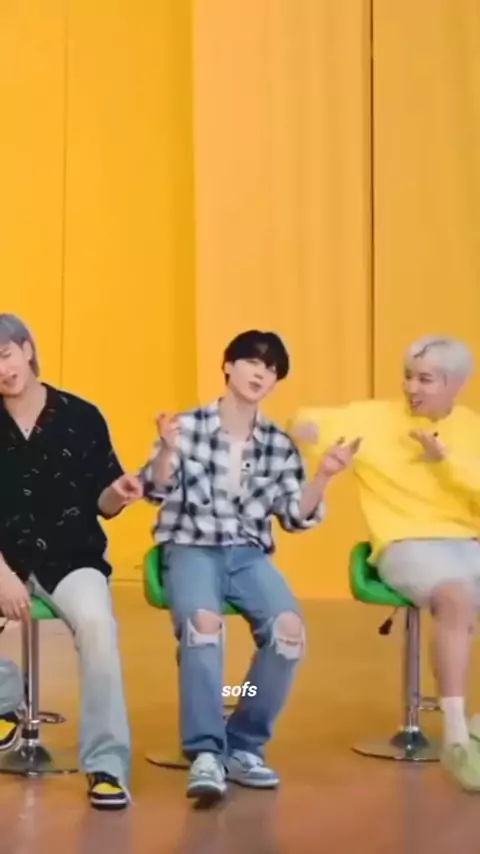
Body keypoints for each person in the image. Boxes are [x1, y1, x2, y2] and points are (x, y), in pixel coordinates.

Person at [139, 329, 359, 803]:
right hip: (191, 546)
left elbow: (295, 516)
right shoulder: (187, 426)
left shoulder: (278, 444)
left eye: (272, 369)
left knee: (289, 632)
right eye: (253, 362)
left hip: (247, 553)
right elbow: (154, 490)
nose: (261, 373)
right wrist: (168, 451)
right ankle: (204, 751)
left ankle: (242, 742)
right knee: (203, 626)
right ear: (228, 365)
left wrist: (323, 475)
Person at [292, 334, 480, 792]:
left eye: (425, 380)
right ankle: (456, 737)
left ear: (454, 384)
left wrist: (444, 464)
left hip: (468, 541)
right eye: (409, 377)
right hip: (405, 543)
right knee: (456, 597)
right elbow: (304, 421)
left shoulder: (472, 429)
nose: (412, 387)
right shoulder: (372, 419)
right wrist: (305, 431)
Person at [0, 314, 143, 810]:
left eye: (5, 356)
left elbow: (103, 502)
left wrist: (118, 492)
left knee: (99, 627)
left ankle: (106, 765)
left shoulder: (82, 416)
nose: (2, 370)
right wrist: (3, 575)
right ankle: (6, 696)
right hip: (3, 559)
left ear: (26, 349)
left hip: (71, 557)